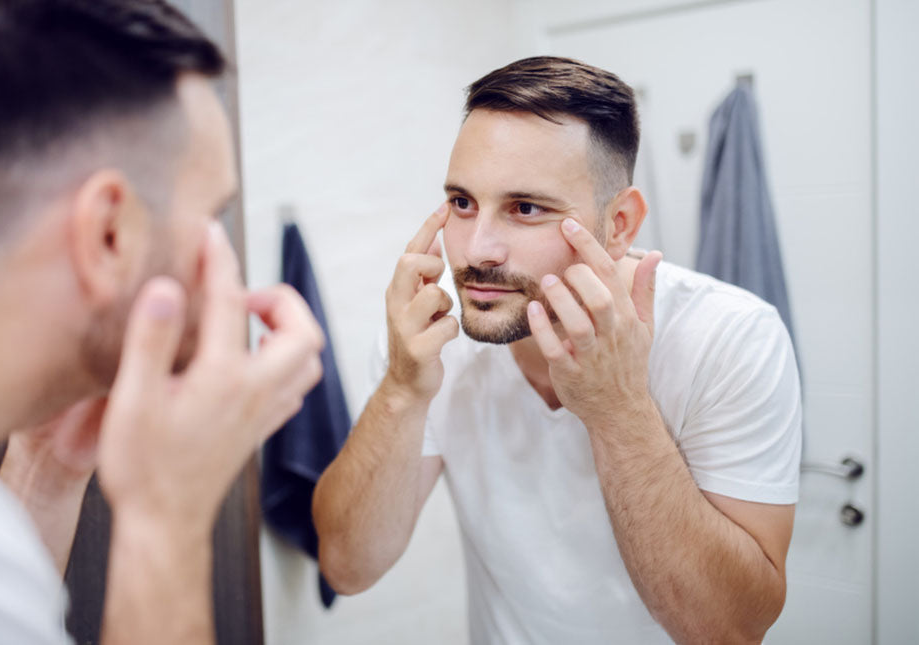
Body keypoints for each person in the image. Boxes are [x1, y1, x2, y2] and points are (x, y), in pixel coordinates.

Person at [0, 1, 323, 644]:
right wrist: (167, 520)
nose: (223, 267)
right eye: (211, 217)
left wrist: (47, 472)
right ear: (109, 233)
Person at [313, 56, 801, 644]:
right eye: (463, 203)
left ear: (619, 223)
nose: (477, 250)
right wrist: (400, 389)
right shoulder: (433, 326)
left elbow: (730, 630)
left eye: (525, 208)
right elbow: (346, 567)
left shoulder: (730, 336)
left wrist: (618, 409)